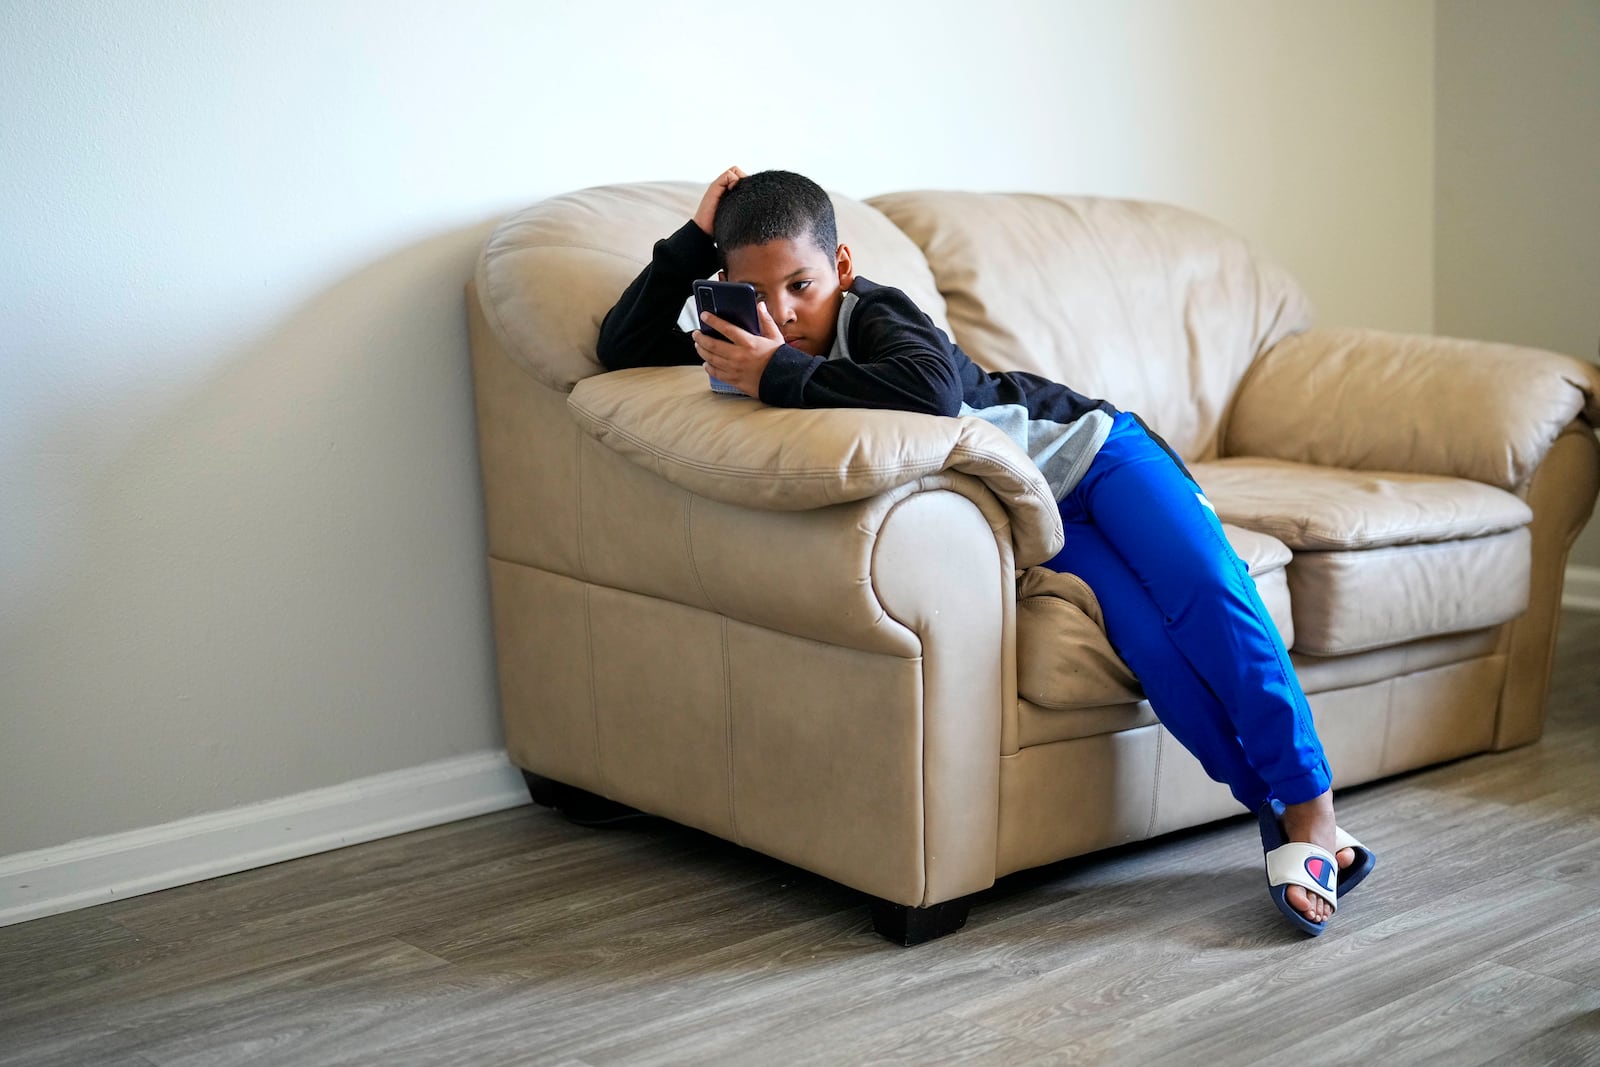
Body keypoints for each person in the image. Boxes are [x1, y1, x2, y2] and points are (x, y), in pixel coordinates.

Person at [597, 166, 1376, 936]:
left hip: (1100, 455)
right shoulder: (740, 341)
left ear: (840, 267)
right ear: (723, 284)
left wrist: (779, 375)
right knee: (1150, 648)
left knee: (1206, 589)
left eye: (801, 286)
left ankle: (1313, 804)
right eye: (757, 293)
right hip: (1039, 516)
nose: (784, 313)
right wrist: (694, 242)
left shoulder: (871, 313)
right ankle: (1279, 819)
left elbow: (933, 394)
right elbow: (620, 347)